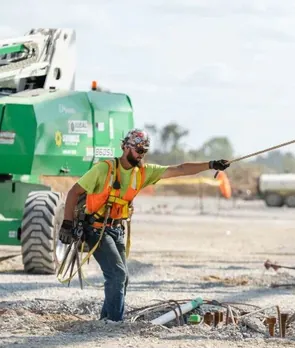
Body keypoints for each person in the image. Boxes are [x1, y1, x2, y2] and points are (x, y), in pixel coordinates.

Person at [58, 128, 230, 322]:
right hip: (96, 228)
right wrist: (66, 224)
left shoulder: (143, 172)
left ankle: (106, 321)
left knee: (121, 279)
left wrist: (210, 164)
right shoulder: (104, 169)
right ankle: (114, 323)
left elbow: (179, 169)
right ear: (125, 147)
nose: (141, 155)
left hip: (116, 229)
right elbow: (73, 192)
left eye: (144, 151)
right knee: (117, 275)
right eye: (138, 150)